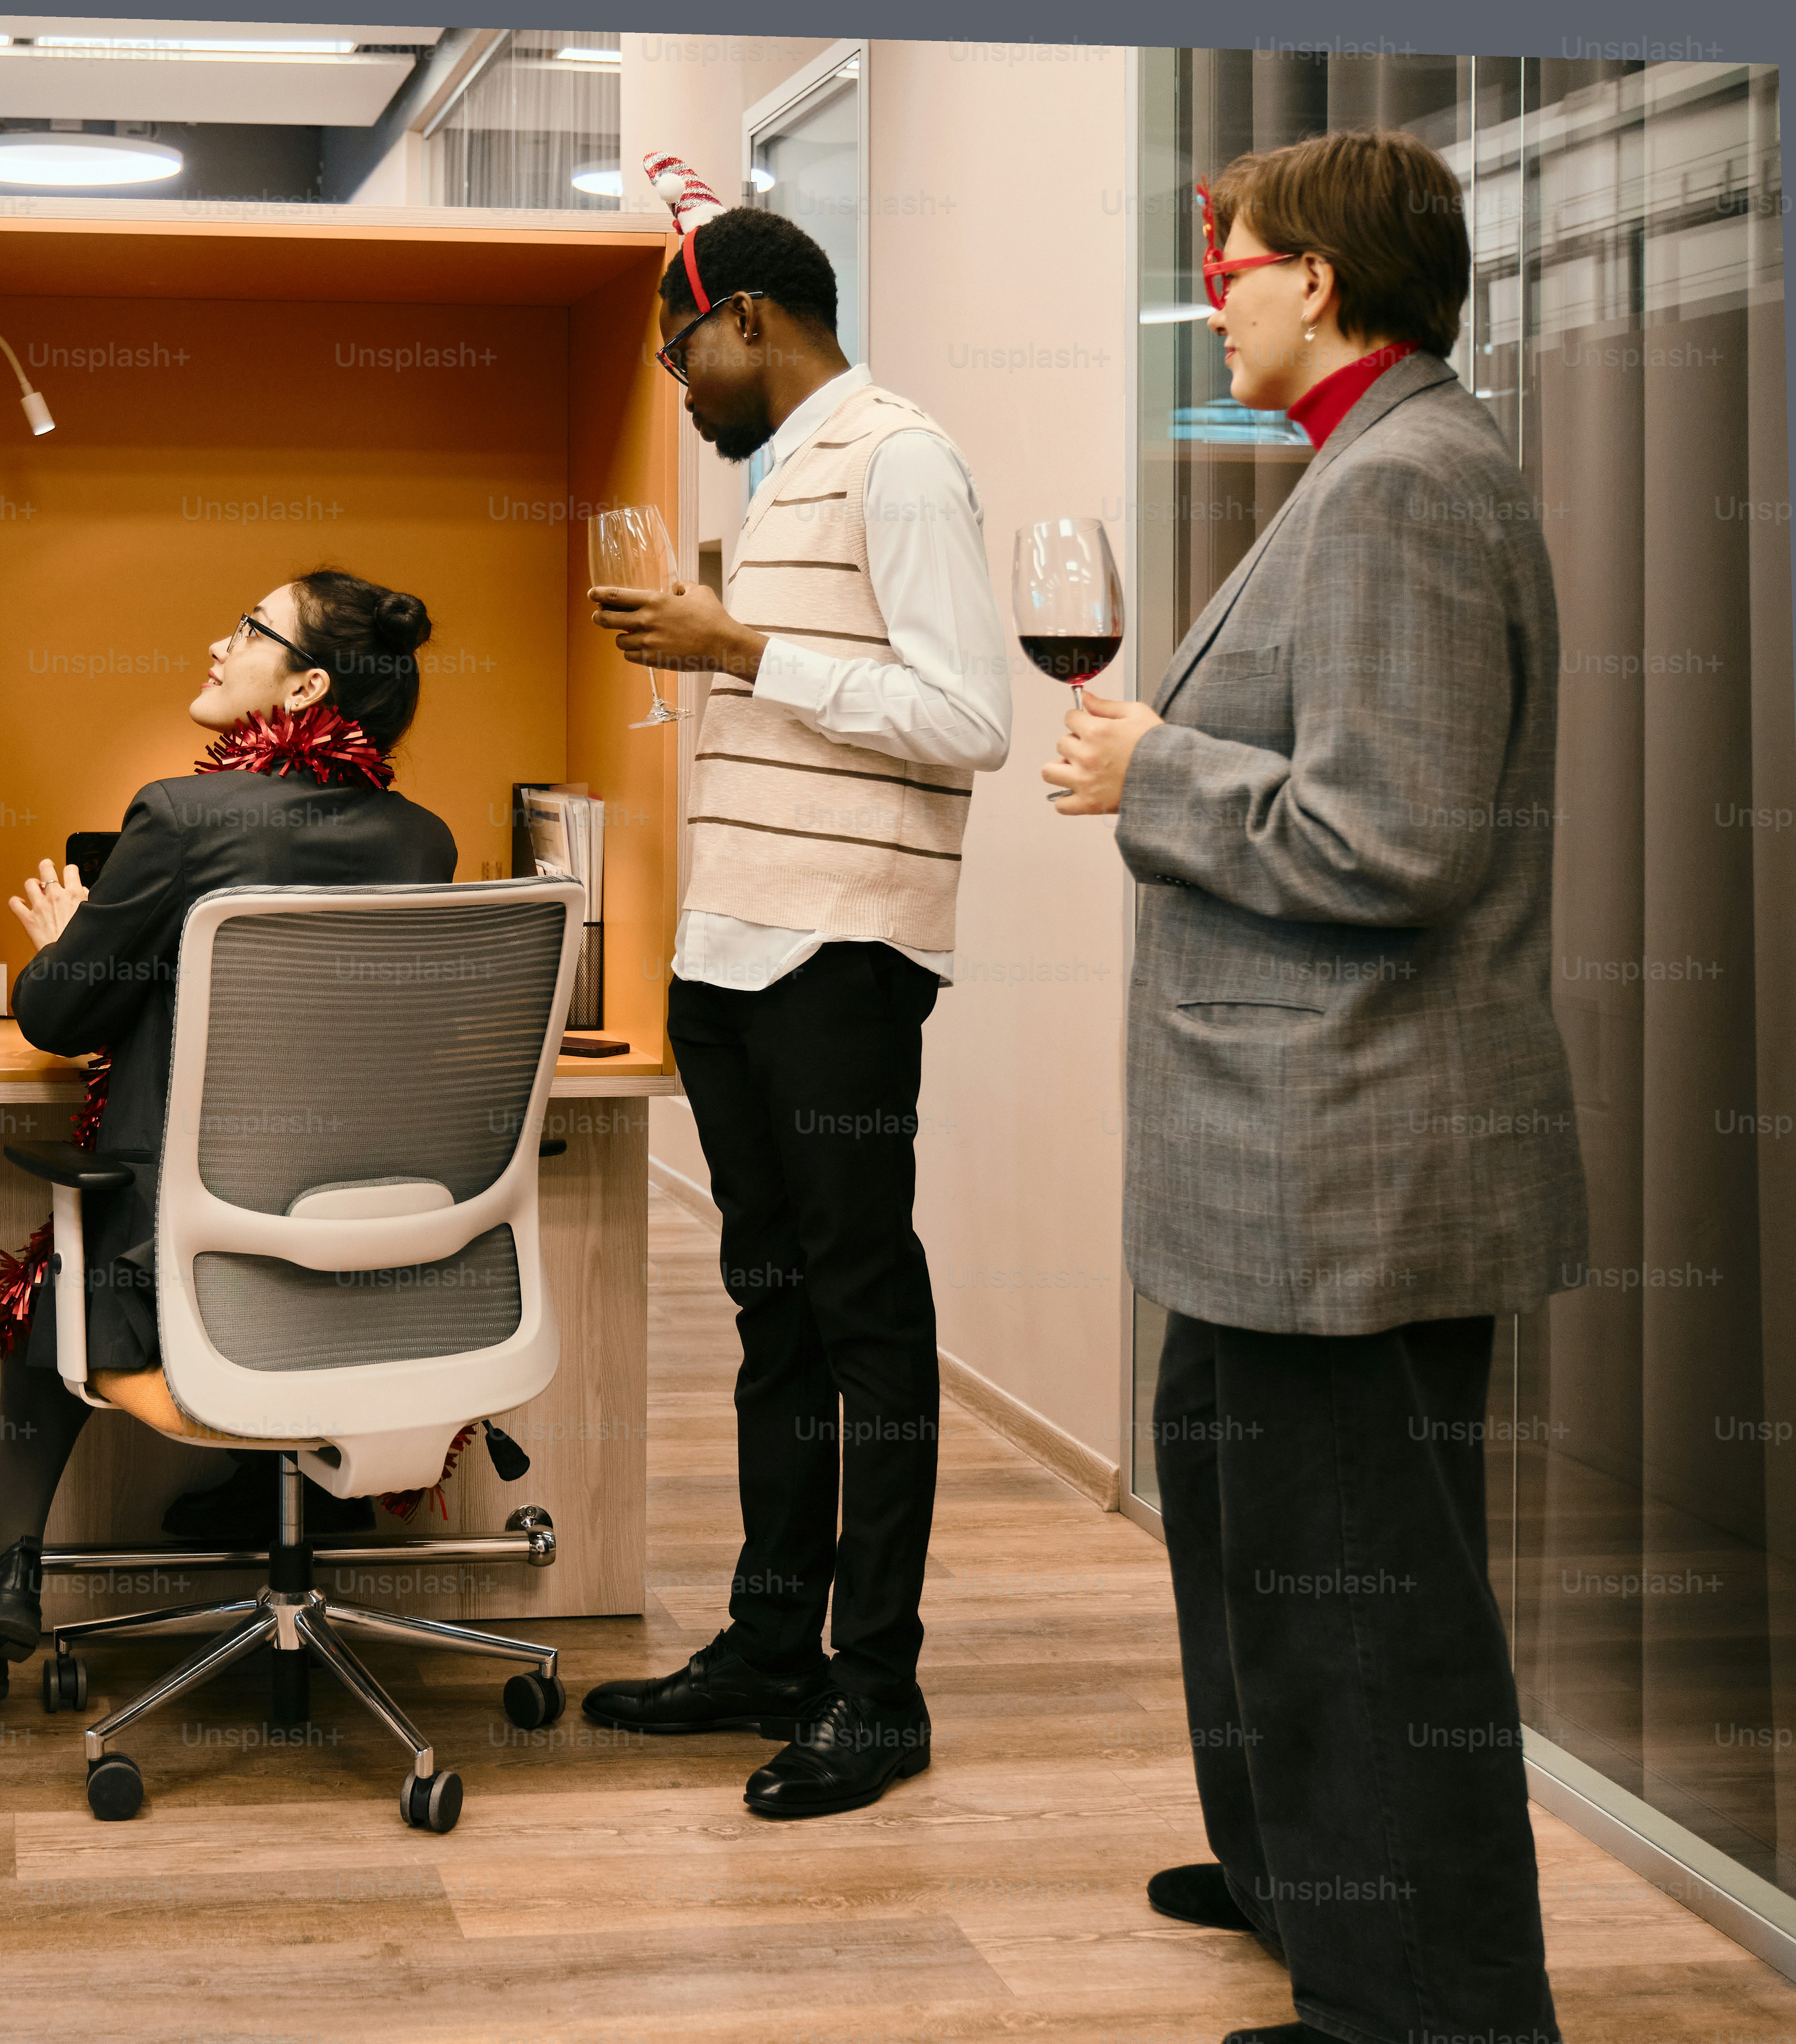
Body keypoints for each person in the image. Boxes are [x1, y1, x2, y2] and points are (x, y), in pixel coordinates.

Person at [1043, 130, 1581, 2044]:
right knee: (1251, 1535)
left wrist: (1148, 772)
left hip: (1345, 1167)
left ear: (1324, 282)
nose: (1219, 289)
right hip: (1290, 1163)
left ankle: (1423, 2004)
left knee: (1364, 1608)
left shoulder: (1400, 487)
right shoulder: (1373, 464)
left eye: (1237, 259)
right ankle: (1298, 1868)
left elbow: (1391, 836)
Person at [570, 156, 1011, 1819]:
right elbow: (833, 703)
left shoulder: (899, 459)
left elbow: (971, 714)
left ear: (747, 317)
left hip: (841, 952)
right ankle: (770, 1644)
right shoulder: (781, 483)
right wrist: (722, 653)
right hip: (733, 949)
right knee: (773, 1309)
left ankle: (876, 1686)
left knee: (861, 1317)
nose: (678, 392)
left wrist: (739, 646)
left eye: (685, 358)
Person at [0, 571, 457, 1704]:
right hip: (372, 1282)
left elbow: (60, 1019)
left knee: (61, 1268)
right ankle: (269, 1503)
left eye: (248, 627)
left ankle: (7, 1568)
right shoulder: (424, 843)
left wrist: (70, 938)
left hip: (187, 1284)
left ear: (305, 682)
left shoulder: (179, 816)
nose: (218, 640)